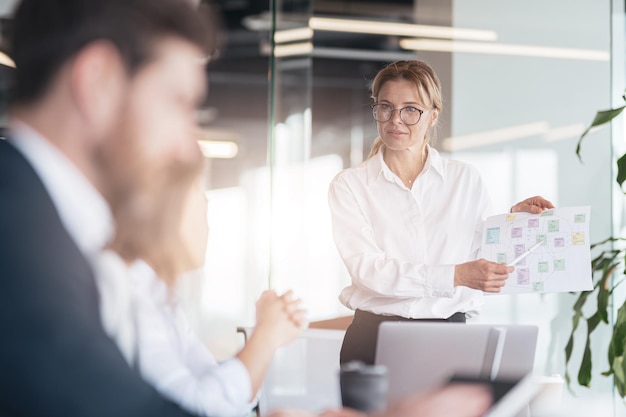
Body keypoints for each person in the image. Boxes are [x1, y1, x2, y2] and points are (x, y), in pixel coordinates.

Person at [0, 0, 221, 415]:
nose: (187, 147)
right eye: (178, 102)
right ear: (97, 82)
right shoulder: (15, 235)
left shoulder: (52, 228)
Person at [327, 60, 554, 365]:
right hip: (374, 339)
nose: (396, 120)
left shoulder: (465, 179)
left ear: (433, 115)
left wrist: (514, 223)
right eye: (386, 107)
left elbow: (483, 258)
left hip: (451, 336)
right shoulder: (351, 185)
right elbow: (369, 271)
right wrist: (456, 275)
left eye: (410, 109)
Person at [94, 148, 307, 417]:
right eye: (203, 208)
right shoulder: (131, 294)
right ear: (171, 211)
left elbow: (226, 394)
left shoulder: (160, 297)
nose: (209, 227)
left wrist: (268, 335)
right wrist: (265, 337)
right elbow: (196, 408)